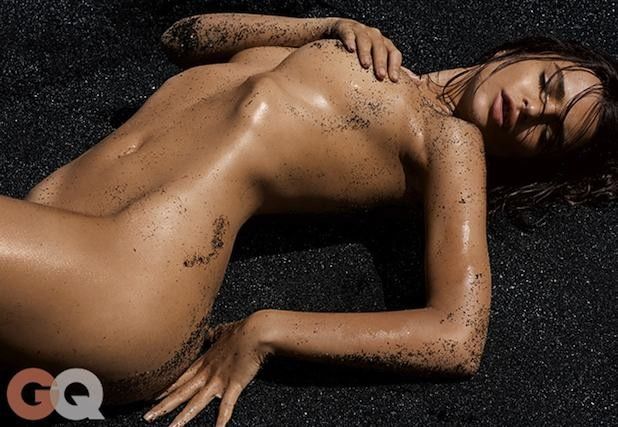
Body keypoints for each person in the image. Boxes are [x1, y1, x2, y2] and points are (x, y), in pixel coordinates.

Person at [0, 12, 615, 427]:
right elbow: (182, 37)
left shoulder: (451, 141)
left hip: (129, 282)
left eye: (548, 134)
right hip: (56, 238)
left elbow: (458, 337)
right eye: (549, 85)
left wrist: (267, 331)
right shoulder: (362, 52)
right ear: (523, 53)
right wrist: (321, 25)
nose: (532, 110)